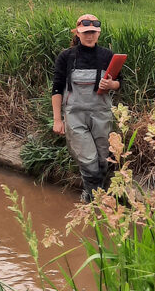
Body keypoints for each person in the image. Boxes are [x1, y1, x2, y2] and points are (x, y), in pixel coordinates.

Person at [51, 13, 122, 203]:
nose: (89, 36)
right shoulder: (66, 57)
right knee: (88, 161)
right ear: (78, 33)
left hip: (101, 115)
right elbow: (57, 88)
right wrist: (58, 120)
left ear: (98, 33)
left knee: (102, 160)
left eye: (93, 32)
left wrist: (111, 85)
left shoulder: (108, 56)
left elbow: (119, 82)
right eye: (85, 32)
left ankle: (95, 197)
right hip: (75, 116)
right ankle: (92, 200)